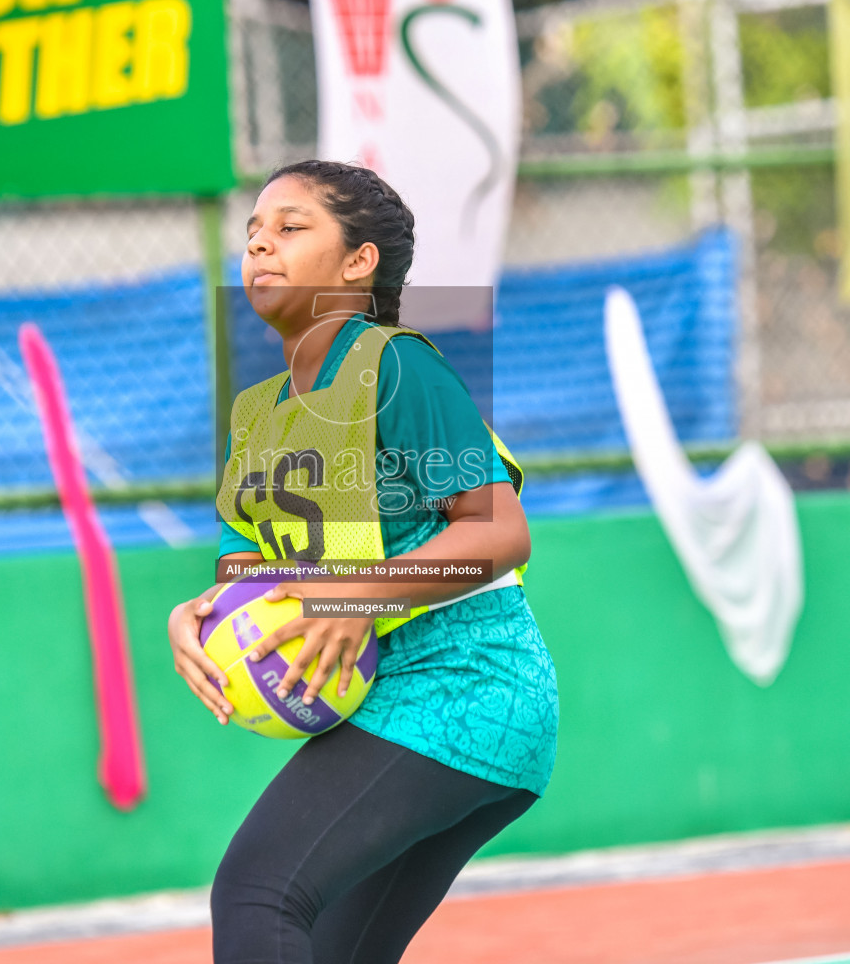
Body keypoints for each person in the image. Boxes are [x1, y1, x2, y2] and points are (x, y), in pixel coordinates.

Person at [165, 160, 558, 963]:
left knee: (257, 893)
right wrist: (196, 618)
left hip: (466, 684)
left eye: (290, 227)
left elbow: (499, 534)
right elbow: (249, 576)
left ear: (358, 263)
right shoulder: (257, 417)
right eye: (252, 233)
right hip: (393, 702)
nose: (260, 245)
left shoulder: (398, 366)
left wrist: (362, 596)